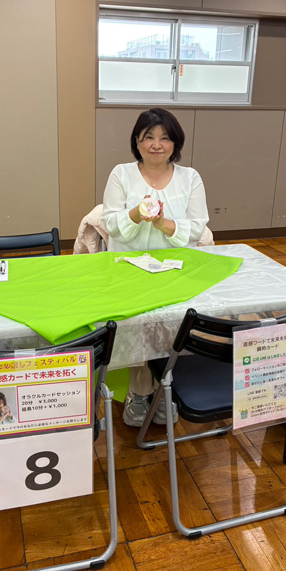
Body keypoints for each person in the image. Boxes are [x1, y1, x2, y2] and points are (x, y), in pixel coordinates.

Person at [101, 108, 209, 426]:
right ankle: (139, 392)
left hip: (175, 269)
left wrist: (163, 223)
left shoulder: (190, 178)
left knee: (172, 327)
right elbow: (111, 222)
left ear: (175, 143)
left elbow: (197, 227)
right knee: (138, 327)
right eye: (149, 137)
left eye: (165, 138)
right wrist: (137, 213)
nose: (157, 144)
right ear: (137, 141)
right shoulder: (122, 174)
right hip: (128, 267)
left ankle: (165, 390)